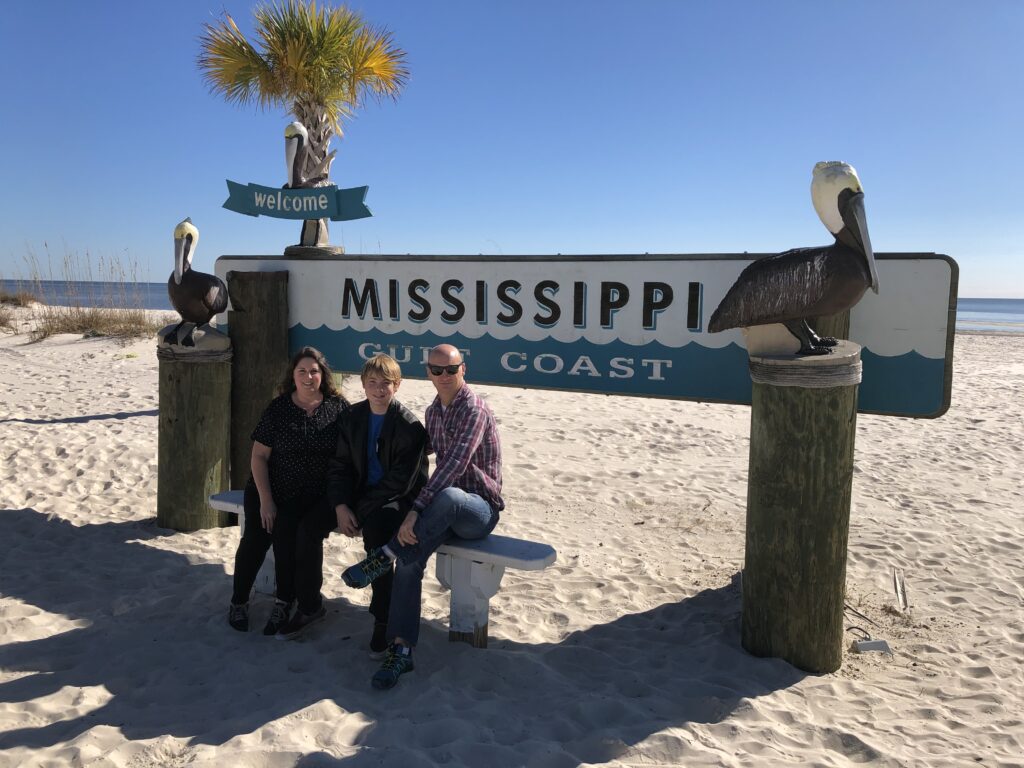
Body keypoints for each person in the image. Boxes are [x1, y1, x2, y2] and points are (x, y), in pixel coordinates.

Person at [341, 343, 503, 689]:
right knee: (410, 560)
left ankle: (383, 556)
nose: (443, 376)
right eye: (436, 370)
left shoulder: (474, 410)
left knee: (448, 494)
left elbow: (452, 468)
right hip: (441, 513)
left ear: (464, 370)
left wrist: (414, 510)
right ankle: (400, 649)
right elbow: (422, 448)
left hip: (478, 511)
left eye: (450, 369)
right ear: (428, 372)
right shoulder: (433, 411)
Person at [227, 346, 348, 637]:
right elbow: (258, 457)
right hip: (266, 487)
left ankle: (284, 601)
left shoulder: (337, 408)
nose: (309, 377)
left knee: (287, 542)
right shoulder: (279, 408)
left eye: (314, 371)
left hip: (305, 495)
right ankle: (239, 601)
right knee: (255, 540)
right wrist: (266, 501)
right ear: (293, 376)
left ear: (324, 375)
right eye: (302, 371)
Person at [323, 353, 429, 656]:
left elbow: (400, 483)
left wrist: (361, 511)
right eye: (373, 383)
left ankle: (383, 619)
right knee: (306, 523)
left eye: (386, 384)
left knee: (377, 537)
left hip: (397, 502)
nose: (379, 389)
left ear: (397, 386)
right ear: (363, 384)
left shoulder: (409, 427)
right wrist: (341, 506)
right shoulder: (352, 418)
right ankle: (302, 602)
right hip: (359, 496)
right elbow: (339, 467)